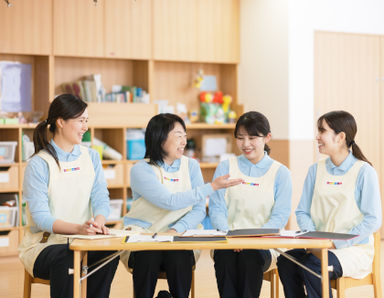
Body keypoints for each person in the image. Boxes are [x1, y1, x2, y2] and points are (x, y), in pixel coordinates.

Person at [120, 113, 243, 298]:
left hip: (180, 236)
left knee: (179, 256)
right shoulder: (141, 169)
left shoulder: (191, 166)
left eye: (185, 136)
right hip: (144, 236)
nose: (184, 141)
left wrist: (177, 229)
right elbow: (168, 201)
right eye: (178, 135)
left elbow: (199, 209)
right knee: (148, 254)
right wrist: (212, 187)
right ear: (160, 137)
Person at [19, 94, 119, 298]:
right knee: (67, 256)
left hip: (84, 240)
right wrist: (78, 229)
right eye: (80, 121)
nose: (85, 127)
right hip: (46, 246)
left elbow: (101, 196)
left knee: (111, 252)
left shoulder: (91, 156)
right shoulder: (39, 164)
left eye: (87, 121)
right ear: (61, 122)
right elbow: (40, 218)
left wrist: (99, 224)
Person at [277, 110, 382, 298]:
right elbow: (302, 212)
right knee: (286, 261)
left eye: (322, 131)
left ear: (340, 137)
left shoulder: (364, 172)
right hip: (318, 246)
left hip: (352, 250)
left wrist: (336, 243)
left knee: (315, 266)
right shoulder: (315, 170)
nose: (317, 137)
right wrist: (315, 240)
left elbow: (373, 220)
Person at [209, 111, 292, 298]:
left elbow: (280, 216)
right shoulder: (225, 167)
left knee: (250, 256)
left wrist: (251, 240)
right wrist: (230, 236)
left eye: (252, 137)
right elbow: (216, 208)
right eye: (240, 138)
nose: (245, 144)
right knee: (226, 257)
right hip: (228, 241)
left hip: (264, 245)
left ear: (267, 137)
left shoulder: (281, 173)